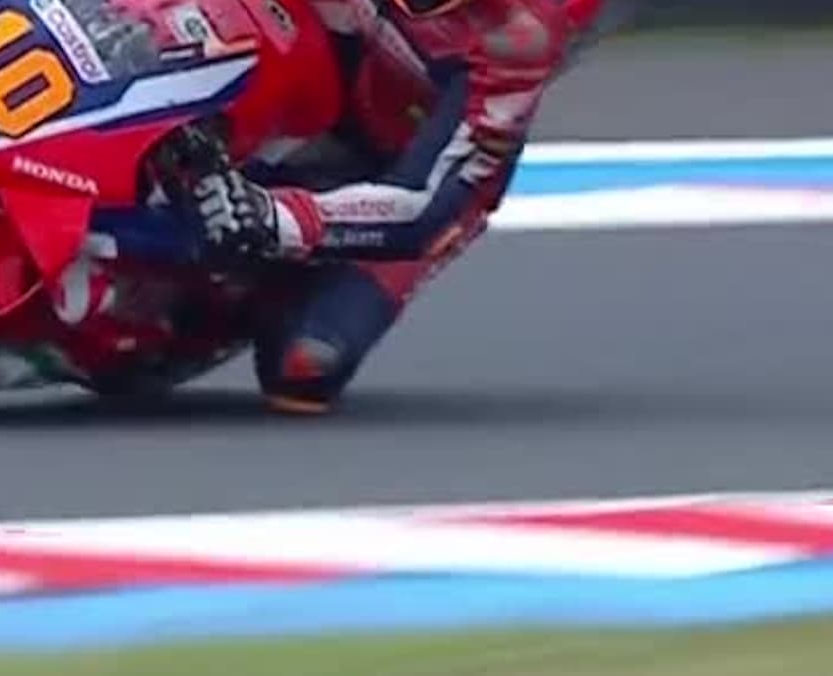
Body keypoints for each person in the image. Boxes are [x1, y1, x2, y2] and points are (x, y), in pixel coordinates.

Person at [168, 0, 606, 414]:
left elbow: (423, 209)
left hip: (415, 173)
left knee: (305, 364)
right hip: (319, 71)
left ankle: (263, 280)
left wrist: (269, 216)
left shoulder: (519, 34)